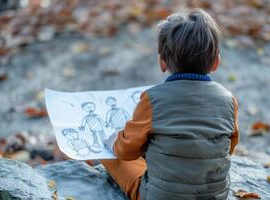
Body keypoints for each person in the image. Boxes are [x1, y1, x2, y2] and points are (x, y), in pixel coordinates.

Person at [101, 8, 239, 200]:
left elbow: (127, 150)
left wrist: (114, 142)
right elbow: (229, 147)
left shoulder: (152, 99)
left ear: (162, 62)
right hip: (215, 195)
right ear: (216, 62)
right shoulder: (229, 99)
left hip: (159, 196)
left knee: (114, 158)